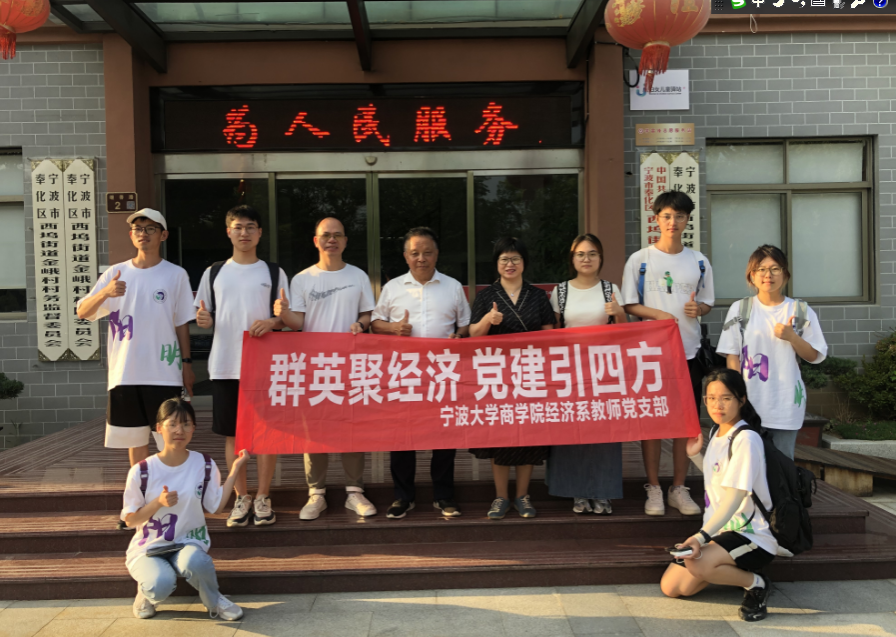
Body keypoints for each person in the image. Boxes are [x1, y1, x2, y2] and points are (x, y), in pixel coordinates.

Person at [77, 209, 195, 530]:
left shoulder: (175, 275)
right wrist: (105, 292)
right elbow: (83, 311)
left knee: (171, 440)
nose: (143, 233)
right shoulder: (115, 274)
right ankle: (140, 505)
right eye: (138, 228)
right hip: (126, 372)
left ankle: (174, 503)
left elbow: (181, 322)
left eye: (151, 228)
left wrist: (187, 364)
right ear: (131, 235)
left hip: (164, 371)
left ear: (163, 235)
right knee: (136, 444)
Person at [276, 216, 378, 520]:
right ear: (316, 241)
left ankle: (354, 492)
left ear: (345, 241)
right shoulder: (302, 279)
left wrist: (361, 324)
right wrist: (283, 313)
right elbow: (298, 323)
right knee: (314, 431)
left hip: (351, 365)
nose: (331, 240)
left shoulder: (358, 275)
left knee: (352, 429)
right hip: (315, 366)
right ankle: (316, 493)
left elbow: (368, 313)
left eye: (337, 235)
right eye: (326, 235)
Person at [195, 205, 288, 528]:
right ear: (228, 232)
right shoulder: (214, 272)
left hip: (264, 366)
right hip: (225, 364)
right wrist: (203, 320)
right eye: (238, 227)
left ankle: (263, 496)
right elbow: (204, 315)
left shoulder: (273, 273)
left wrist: (273, 321)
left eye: (250, 227)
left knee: (267, 434)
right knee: (233, 435)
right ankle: (241, 496)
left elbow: (286, 318)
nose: (244, 232)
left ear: (260, 233)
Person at [621, 191, 713, 517]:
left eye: (680, 216)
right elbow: (628, 303)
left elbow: (707, 302)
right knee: (652, 422)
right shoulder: (640, 259)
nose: (673, 222)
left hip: (689, 352)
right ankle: (653, 488)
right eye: (667, 216)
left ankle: (679, 488)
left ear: (688, 220)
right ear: (656, 219)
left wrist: (699, 308)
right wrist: (658, 315)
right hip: (650, 354)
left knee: (685, 423)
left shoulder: (699, 261)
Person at [660, 368, 776, 623]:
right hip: (722, 532)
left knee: (698, 564)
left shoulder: (746, 439)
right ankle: (726, 567)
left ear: (741, 400)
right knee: (673, 587)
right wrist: (694, 456)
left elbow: (734, 497)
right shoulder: (717, 432)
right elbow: (718, 479)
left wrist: (700, 537)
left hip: (750, 534)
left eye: (726, 398)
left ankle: (756, 583)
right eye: (711, 398)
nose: (717, 405)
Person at [371, 227, 471, 519]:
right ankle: (403, 496)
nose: (421, 258)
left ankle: (444, 495)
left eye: (427, 252)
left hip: (443, 372)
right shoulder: (392, 288)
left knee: (444, 436)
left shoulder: (453, 286)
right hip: (404, 372)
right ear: (406, 256)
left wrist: (459, 336)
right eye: (415, 253)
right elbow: (375, 323)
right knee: (402, 437)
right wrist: (394, 328)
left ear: (436, 254)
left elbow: (465, 324)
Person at [122, 398, 248, 621]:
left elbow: (216, 507)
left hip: (188, 542)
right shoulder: (142, 470)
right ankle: (146, 593)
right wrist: (158, 503)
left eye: (186, 424)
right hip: (149, 547)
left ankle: (214, 600)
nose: (179, 430)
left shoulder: (204, 464)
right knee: (159, 584)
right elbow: (130, 520)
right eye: (172, 424)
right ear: (159, 428)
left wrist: (234, 471)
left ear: (193, 428)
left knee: (196, 562)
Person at [468, 237, 554, 520]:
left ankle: (523, 496)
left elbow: (550, 334)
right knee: (500, 436)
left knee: (529, 436)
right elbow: (473, 335)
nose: (510, 264)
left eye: (515, 258)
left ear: (524, 263)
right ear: (496, 263)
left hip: (531, 374)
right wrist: (487, 321)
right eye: (504, 259)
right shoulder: (485, 296)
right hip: (497, 377)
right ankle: (501, 496)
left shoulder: (538, 296)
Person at [716, 245, 828, 460]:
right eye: (761, 269)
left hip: (785, 404)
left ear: (785, 274)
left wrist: (792, 337)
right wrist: (736, 396)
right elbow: (732, 355)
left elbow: (814, 356)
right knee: (745, 464)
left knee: (782, 465)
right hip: (748, 403)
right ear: (752, 275)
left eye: (775, 269)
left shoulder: (800, 311)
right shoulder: (740, 309)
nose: (768, 275)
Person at [548, 233, 626, 515]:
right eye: (580, 254)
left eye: (592, 253)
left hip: (603, 370)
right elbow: (553, 332)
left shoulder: (610, 289)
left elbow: (625, 332)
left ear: (600, 258)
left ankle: (602, 492)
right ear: (572, 259)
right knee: (573, 431)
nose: (586, 259)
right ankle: (576, 491)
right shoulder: (561, 291)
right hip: (570, 371)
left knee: (604, 433)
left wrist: (619, 313)